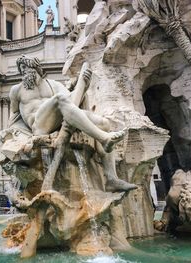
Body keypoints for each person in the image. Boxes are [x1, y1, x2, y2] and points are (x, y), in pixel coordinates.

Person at [9, 55, 137, 192]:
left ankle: (112, 179)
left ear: (36, 67)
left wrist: (84, 86)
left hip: (59, 121)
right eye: (21, 69)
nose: (24, 71)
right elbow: (15, 118)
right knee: (59, 99)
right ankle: (104, 139)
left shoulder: (54, 85)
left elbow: (72, 102)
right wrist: (18, 136)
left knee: (103, 123)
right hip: (39, 126)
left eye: (26, 67)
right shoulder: (17, 90)